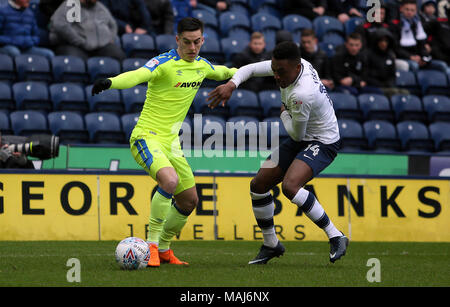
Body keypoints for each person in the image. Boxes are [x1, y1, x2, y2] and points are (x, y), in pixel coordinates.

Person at [91, 17, 237, 267]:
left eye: (197, 42)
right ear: (177, 40)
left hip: (172, 143)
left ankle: (166, 249)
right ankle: (152, 246)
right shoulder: (163, 63)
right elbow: (138, 75)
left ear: (203, 40)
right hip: (146, 137)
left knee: (189, 200)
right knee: (170, 180)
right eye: (188, 42)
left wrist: (250, 73)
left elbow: (225, 72)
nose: (193, 48)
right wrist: (111, 82)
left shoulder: (201, 66)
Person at [207, 41, 349, 264]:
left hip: (322, 141)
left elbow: (295, 135)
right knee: (258, 185)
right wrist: (232, 84)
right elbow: (251, 69)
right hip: (302, 135)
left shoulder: (302, 94)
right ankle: (271, 244)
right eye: (274, 69)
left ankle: (336, 235)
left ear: (295, 68)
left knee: (290, 187)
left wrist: (283, 114)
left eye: (280, 72)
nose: (276, 76)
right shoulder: (291, 66)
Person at [48, 0, 126, 61]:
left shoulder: (99, 7)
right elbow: (60, 25)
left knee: (118, 55)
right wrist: (80, 41)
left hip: (100, 46)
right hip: (74, 45)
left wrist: (110, 38)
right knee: (77, 62)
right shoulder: (72, 5)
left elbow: (113, 24)